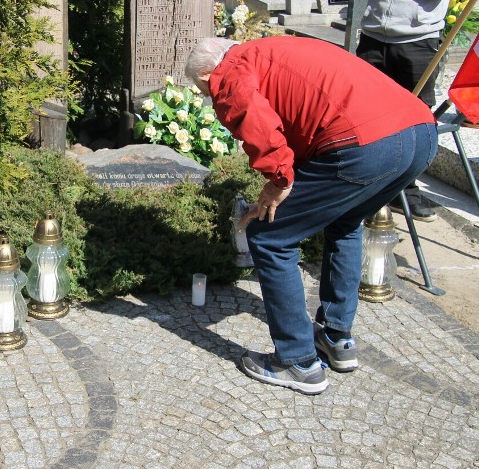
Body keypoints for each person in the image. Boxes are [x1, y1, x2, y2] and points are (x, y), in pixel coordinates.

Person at [185, 36, 437, 394]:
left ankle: (298, 362)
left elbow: (247, 111)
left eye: (205, 90)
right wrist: (286, 186)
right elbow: (310, 123)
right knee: (345, 221)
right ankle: (336, 338)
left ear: (210, 71)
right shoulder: (274, 51)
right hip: (420, 134)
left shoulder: (230, 70)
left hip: (365, 145)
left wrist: (279, 180)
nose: (211, 98)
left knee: (268, 237)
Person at [350, 0, 470, 221]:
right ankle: (365, 183)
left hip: (416, 42)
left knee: (413, 121)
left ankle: (407, 190)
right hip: (375, 39)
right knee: (365, 116)